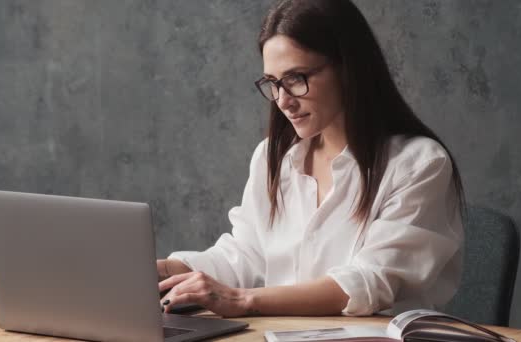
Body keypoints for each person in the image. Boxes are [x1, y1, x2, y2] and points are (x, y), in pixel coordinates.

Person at [157, 0, 465, 318]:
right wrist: (165, 271)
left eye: (296, 78)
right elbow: (246, 254)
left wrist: (243, 300)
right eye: (273, 84)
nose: (283, 101)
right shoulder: (272, 157)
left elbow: (371, 281)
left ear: (348, 68)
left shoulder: (418, 164)